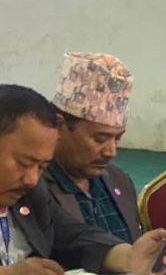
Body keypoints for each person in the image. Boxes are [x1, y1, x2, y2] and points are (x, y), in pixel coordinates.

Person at [0, 84, 166, 275]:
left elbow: (72, 237)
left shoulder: (30, 196)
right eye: (23, 163)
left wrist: (129, 256)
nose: (32, 179)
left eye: (42, 167)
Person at [43, 52, 142, 242]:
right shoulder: (34, 188)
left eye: (117, 138)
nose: (111, 152)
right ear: (60, 126)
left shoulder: (119, 180)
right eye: (100, 138)